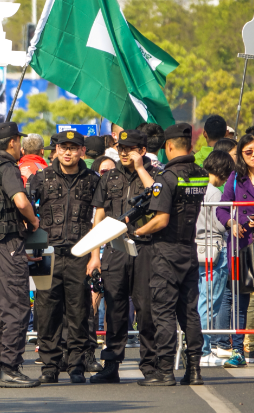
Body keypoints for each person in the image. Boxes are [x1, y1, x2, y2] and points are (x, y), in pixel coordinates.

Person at [134, 123, 207, 386]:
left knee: (163, 312)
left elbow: (162, 219)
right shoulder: (200, 175)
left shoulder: (167, 177)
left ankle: (165, 371)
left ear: (168, 146)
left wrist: (138, 232)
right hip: (189, 250)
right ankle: (195, 370)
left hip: (166, 252)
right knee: (189, 312)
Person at [89, 130, 161, 384]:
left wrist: (141, 168)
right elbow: (99, 214)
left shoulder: (155, 174)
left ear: (142, 150)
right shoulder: (109, 177)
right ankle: (111, 365)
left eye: (130, 149)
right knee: (115, 309)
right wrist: (94, 255)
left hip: (145, 249)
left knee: (146, 308)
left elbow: (157, 196)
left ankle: (150, 365)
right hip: (115, 249)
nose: (123, 152)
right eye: (121, 148)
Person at [31, 131, 101, 385]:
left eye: (73, 148)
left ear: (83, 151)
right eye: (63, 148)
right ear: (56, 150)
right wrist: (33, 253)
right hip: (46, 254)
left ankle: (76, 365)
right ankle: (50, 365)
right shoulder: (41, 177)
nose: (67, 152)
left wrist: (95, 258)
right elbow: (28, 215)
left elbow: (99, 219)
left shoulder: (93, 180)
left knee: (79, 311)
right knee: (46, 312)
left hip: (78, 254)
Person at [0, 122, 40, 388]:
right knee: (16, 307)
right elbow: (21, 201)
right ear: (13, 142)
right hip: (8, 244)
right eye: (18, 141)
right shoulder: (6, 168)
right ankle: (10, 368)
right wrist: (34, 222)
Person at [215, 133, 254, 368]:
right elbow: (221, 209)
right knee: (240, 301)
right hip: (243, 246)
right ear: (241, 154)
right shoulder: (234, 178)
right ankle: (237, 350)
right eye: (248, 151)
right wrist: (233, 222)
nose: (253, 155)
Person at [195, 151, 234, 365]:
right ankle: (203, 349)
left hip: (194, 249)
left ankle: (195, 346)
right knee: (209, 302)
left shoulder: (194, 188)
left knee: (197, 301)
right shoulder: (215, 194)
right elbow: (221, 223)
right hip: (214, 251)